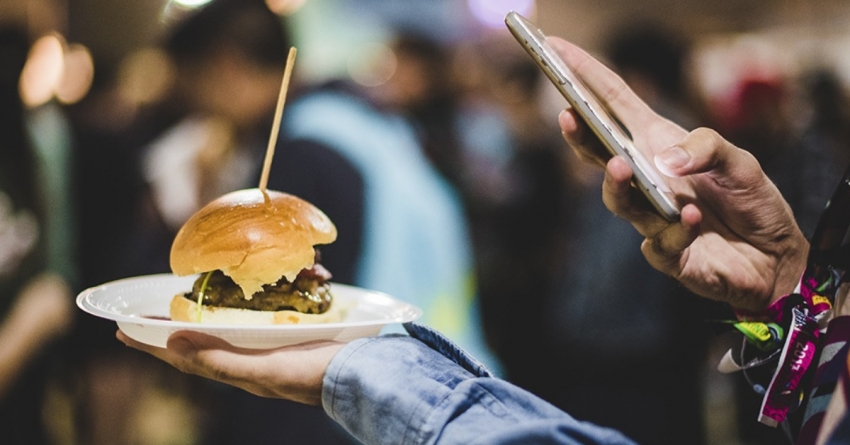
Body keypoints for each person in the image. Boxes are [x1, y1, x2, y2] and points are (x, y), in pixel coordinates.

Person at [118, 36, 849, 444]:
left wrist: (386, 383)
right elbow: (822, 417)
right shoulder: (369, 129)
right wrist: (789, 293)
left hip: (379, 385)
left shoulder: (320, 143)